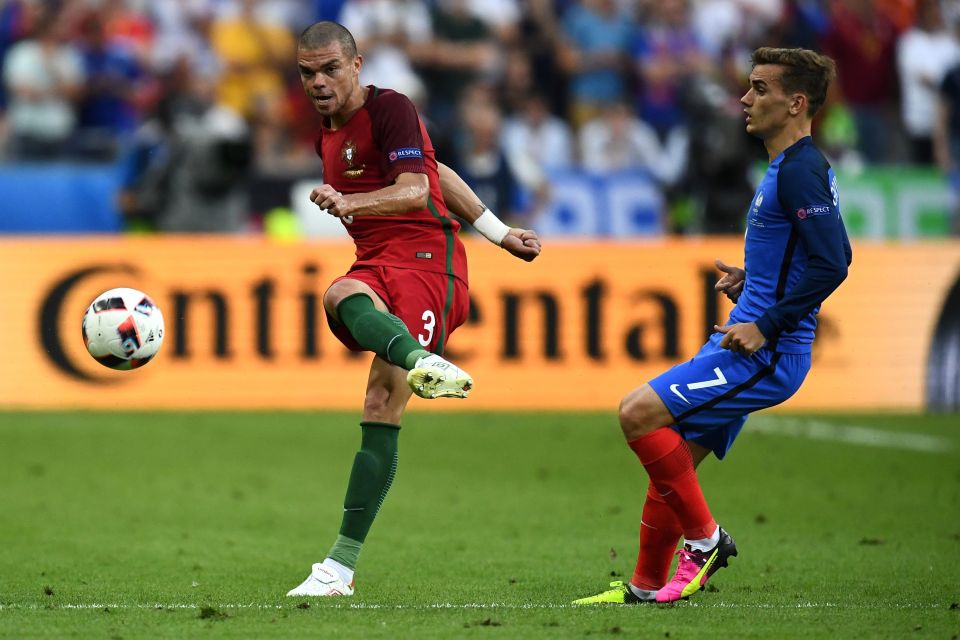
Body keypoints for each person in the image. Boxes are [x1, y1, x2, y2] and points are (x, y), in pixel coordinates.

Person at [573, 47, 851, 605]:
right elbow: (804, 254)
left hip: (764, 350)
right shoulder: (785, 167)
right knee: (672, 468)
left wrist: (768, 323)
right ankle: (647, 588)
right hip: (746, 333)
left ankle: (705, 543)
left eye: (760, 89)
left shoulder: (800, 171)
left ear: (796, 103)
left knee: (637, 414)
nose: (745, 99)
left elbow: (834, 260)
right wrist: (756, 277)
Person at [285, 21, 541, 598]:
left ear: (357, 65)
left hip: (429, 260)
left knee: (383, 398)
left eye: (329, 69)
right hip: (378, 258)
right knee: (339, 301)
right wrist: (499, 232)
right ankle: (339, 572)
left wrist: (491, 234)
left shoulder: (391, 107)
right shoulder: (326, 132)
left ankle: (338, 567)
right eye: (307, 72)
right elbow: (436, 169)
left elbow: (418, 188)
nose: (318, 82)